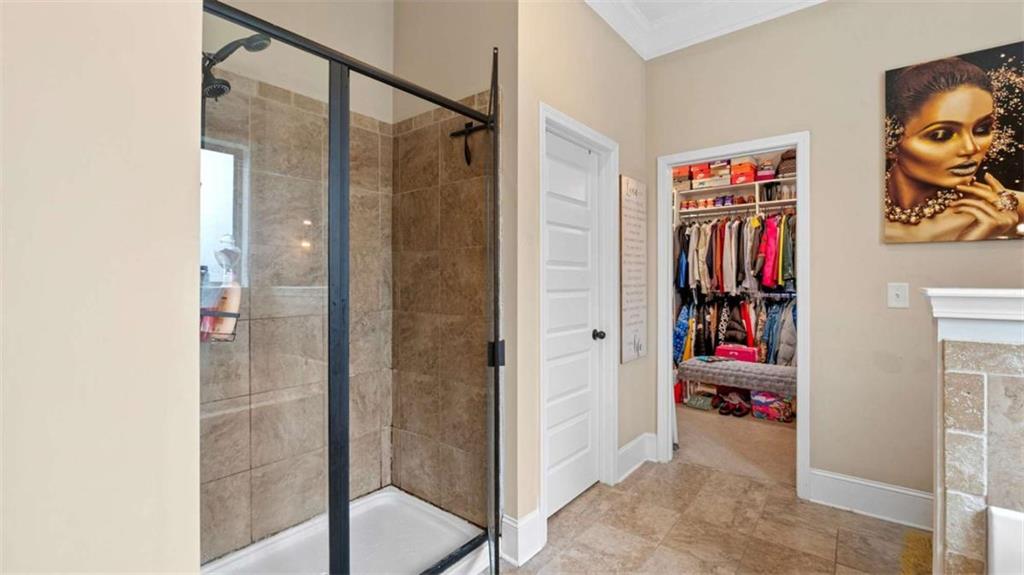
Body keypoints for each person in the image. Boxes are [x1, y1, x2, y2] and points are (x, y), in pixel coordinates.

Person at [885, 57, 1023, 242]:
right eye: (941, 135)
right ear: (890, 141)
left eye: (982, 129)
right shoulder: (858, 212)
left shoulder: (1007, 207)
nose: (971, 147)